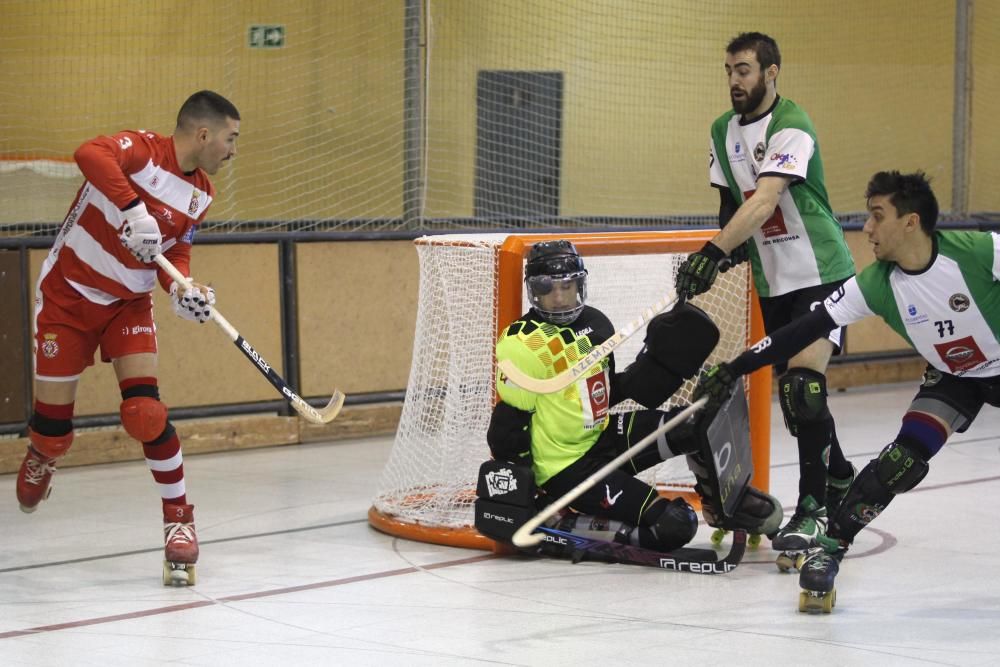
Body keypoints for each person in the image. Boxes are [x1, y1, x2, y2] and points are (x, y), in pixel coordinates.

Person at [696, 170, 1000, 607]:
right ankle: (830, 548)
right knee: (901, 461)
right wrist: (737, 366)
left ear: (911, 222)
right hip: (955, 379)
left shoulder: (980, 251)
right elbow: (804, 330)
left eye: (878, 216)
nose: (868, 229)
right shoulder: (874, 284)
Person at [20, 90, 240, 586]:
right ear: (204, 134)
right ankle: (42, 456)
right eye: (230, 139)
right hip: (68, 298)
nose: (232, 150)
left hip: (129, 304)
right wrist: (133, 208)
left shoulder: (201, 193)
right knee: (53, 431)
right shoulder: (140, 150)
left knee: (145, 412)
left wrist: (184, 290)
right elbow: (87, 154)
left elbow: (176, 251)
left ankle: (179, 518)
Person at [674, 31, 857, 563]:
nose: (735, 80)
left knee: (803, 389)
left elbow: (765, 198)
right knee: (802, 406)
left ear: (772, 72)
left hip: (822, 273)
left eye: (745, 70)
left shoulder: (792, 125)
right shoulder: (720, 130)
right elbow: (732, 209)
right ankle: (841, 476)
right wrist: (722, 256)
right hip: (773, 281)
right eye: (729, 70)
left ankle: (813, 508)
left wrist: (710, 251)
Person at [486, 240, 781, 555]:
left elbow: (603, 393)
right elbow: (507, 427)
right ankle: (561, 524)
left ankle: (719, 506)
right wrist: (529, 492)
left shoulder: (595, 324)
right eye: (548, 288)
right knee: (674, 525)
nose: (559, 297)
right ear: (534, 290)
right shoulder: (520, 345)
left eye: (567, 286)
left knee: (695, 425)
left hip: (601, 439)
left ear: (579, 284)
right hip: (566, 468)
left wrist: (653, 373)